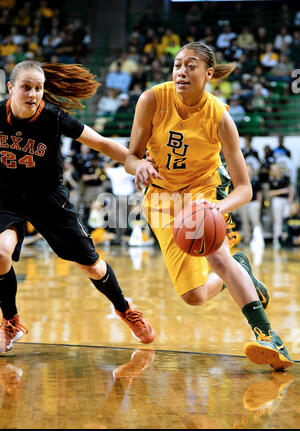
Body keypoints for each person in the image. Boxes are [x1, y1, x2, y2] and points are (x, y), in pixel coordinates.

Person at [124, 41, 293, 371]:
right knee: (194, 296)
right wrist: (138, 167)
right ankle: (242, 268)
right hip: (161, 196)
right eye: (177, 65)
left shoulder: (220, 117)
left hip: (203, 189)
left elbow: (245, 189)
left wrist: (218, 208)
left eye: (190, 66)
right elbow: (130, 156)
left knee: (218, 256)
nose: (181, 72)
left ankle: (269, 337)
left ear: (208, 73)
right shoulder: (152, 99)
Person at [0, 60, 155, 353]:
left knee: (93, 267)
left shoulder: (53, 117)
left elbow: (101, 143)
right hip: (6, 198)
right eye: (26, 87)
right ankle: (10, 321)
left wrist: (135, 163)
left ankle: (124, 309)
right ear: (11, 88)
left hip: (48, 199)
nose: (33, 94)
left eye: (38, 88)